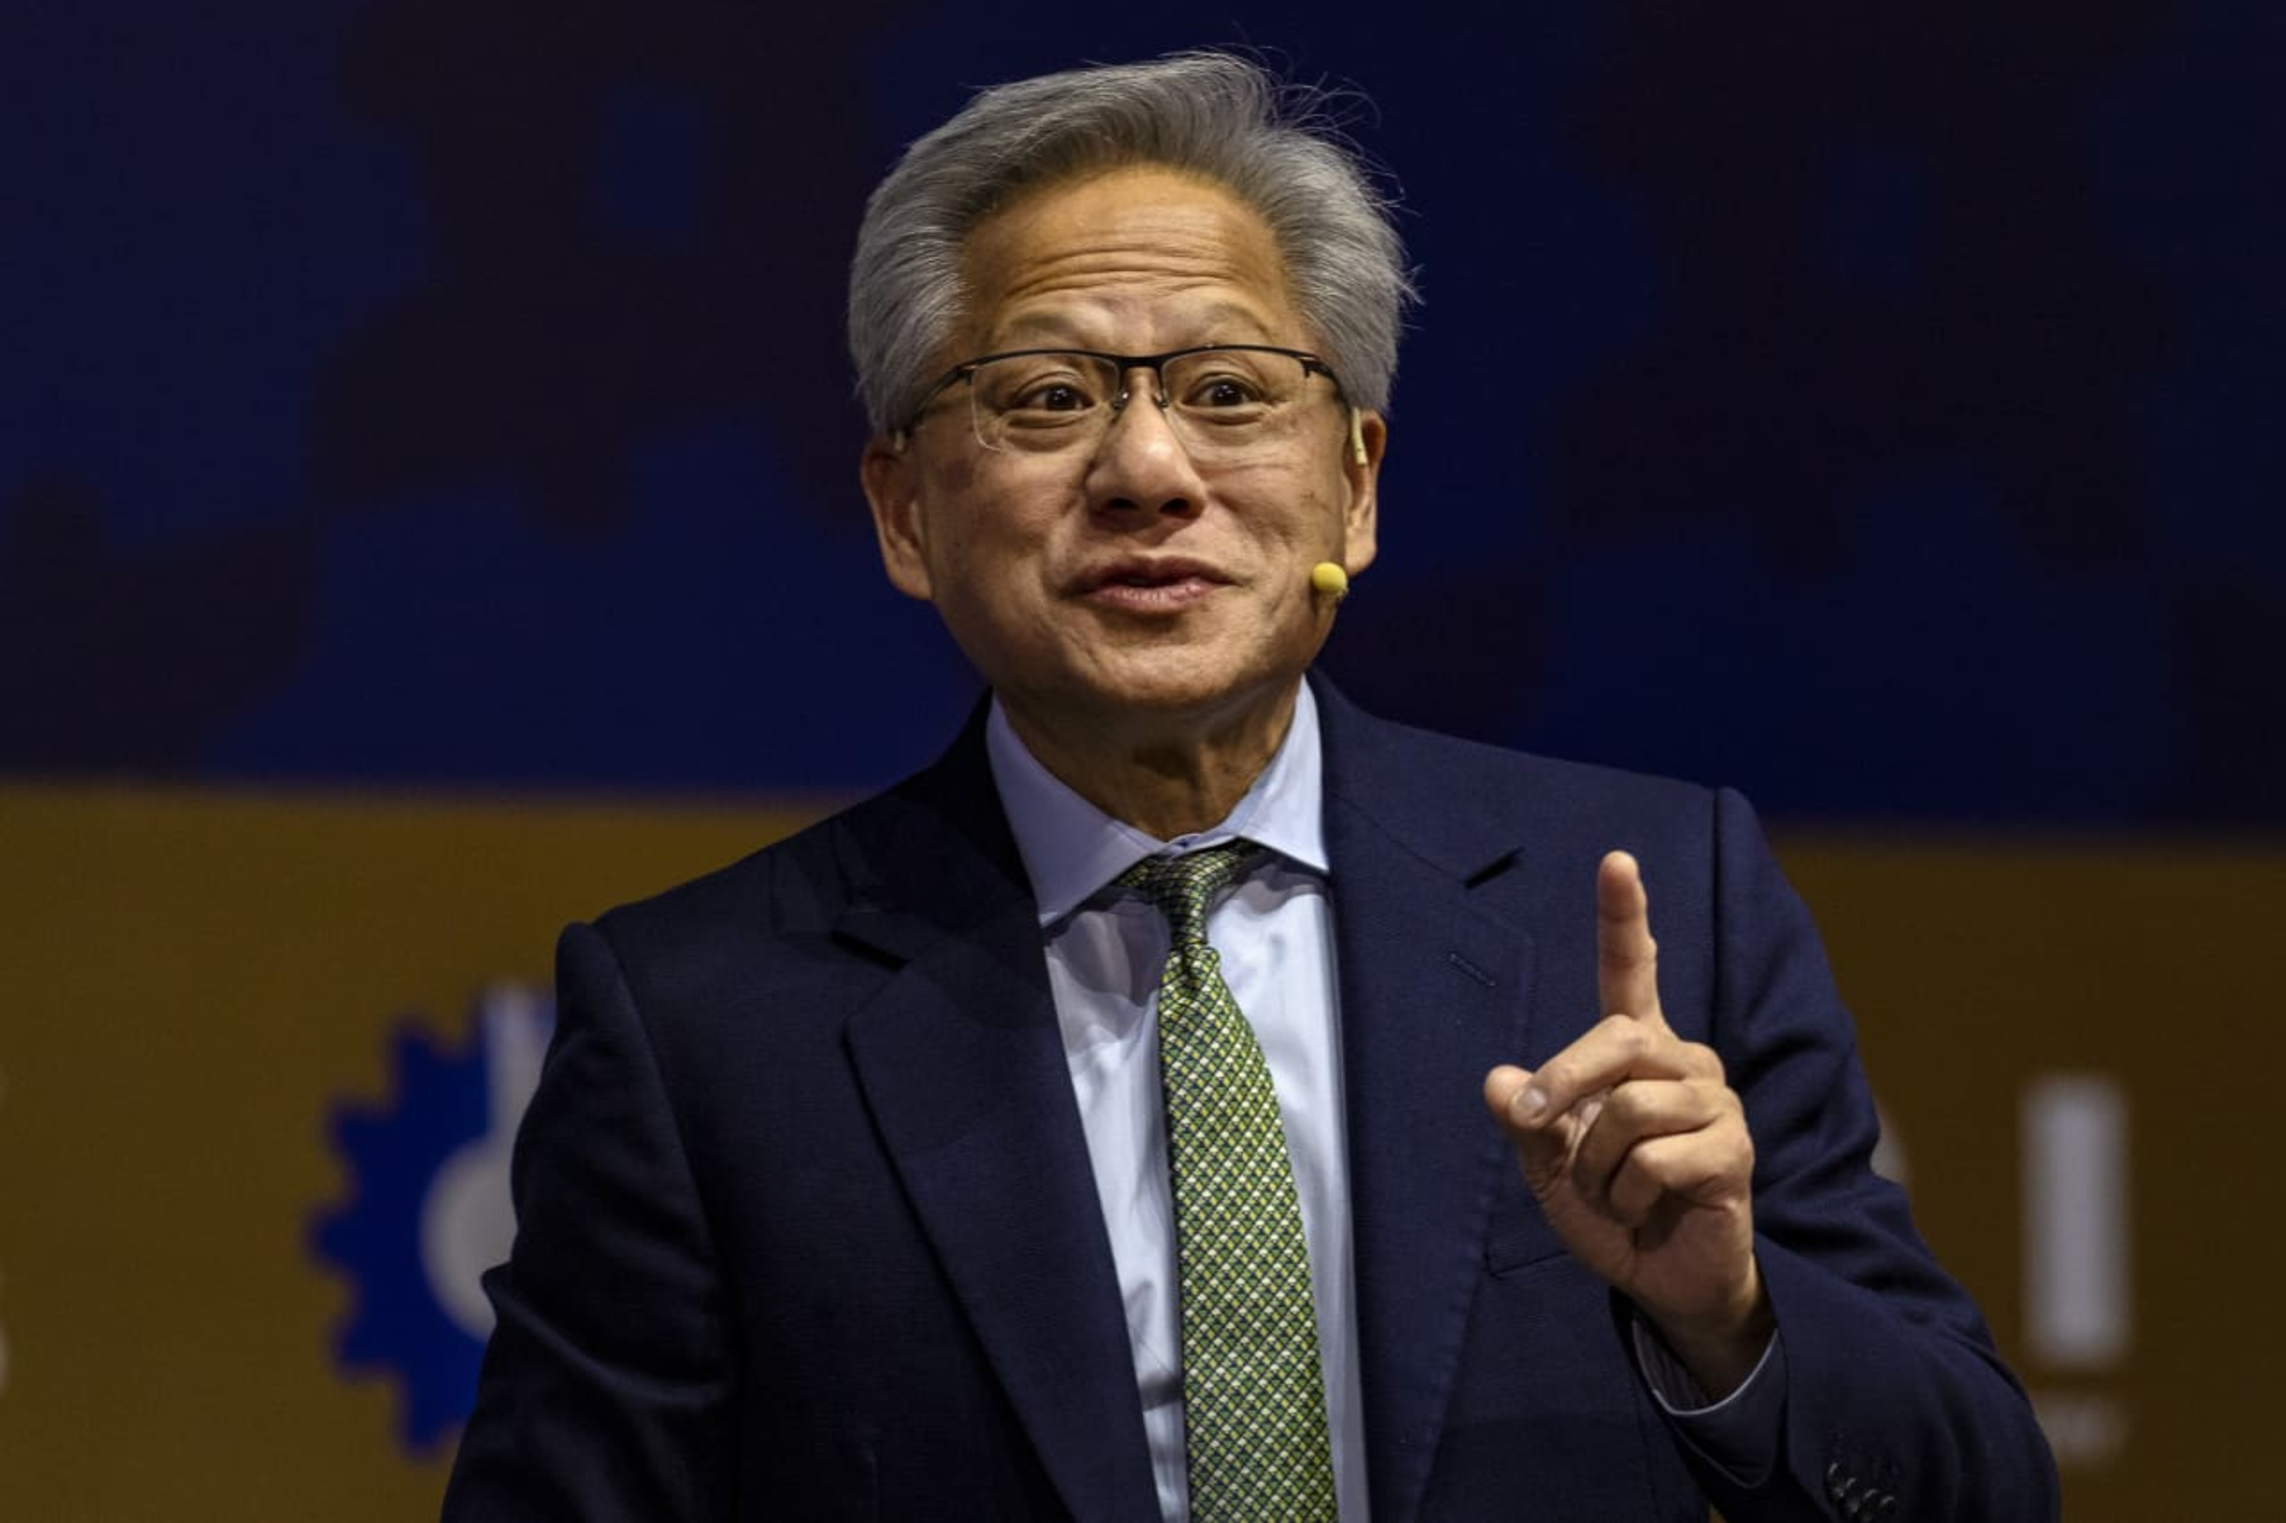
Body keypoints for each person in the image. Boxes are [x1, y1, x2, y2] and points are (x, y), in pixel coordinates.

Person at [443, 51, 2058, 1522]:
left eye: (1226, 391)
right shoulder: (702, 1026)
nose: (1148, 470)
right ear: (904, 510)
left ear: (1353, 485)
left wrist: (1729, 1322)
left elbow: (1973, 1493)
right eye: (1047, 397)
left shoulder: (1651, 898)